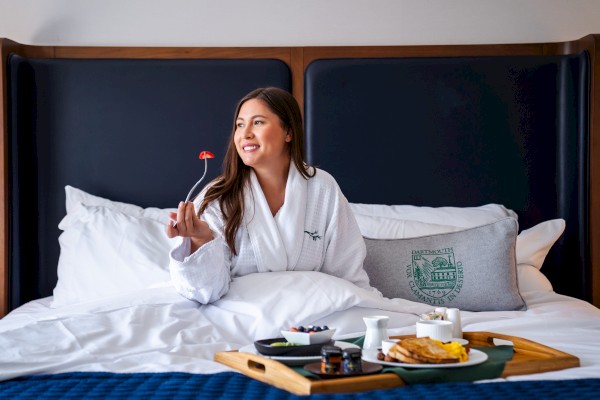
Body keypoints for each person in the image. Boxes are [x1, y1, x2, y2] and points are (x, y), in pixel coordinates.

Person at [166, 87, 377, 304]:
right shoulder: (218, 197)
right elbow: (205, 291)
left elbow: (346, 275)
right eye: (240, 124)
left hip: (314, 316)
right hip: (242, 315)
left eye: (258, 122)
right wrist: (201, 239)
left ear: (288, 132)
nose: (245, 133)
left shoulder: (322, 187)